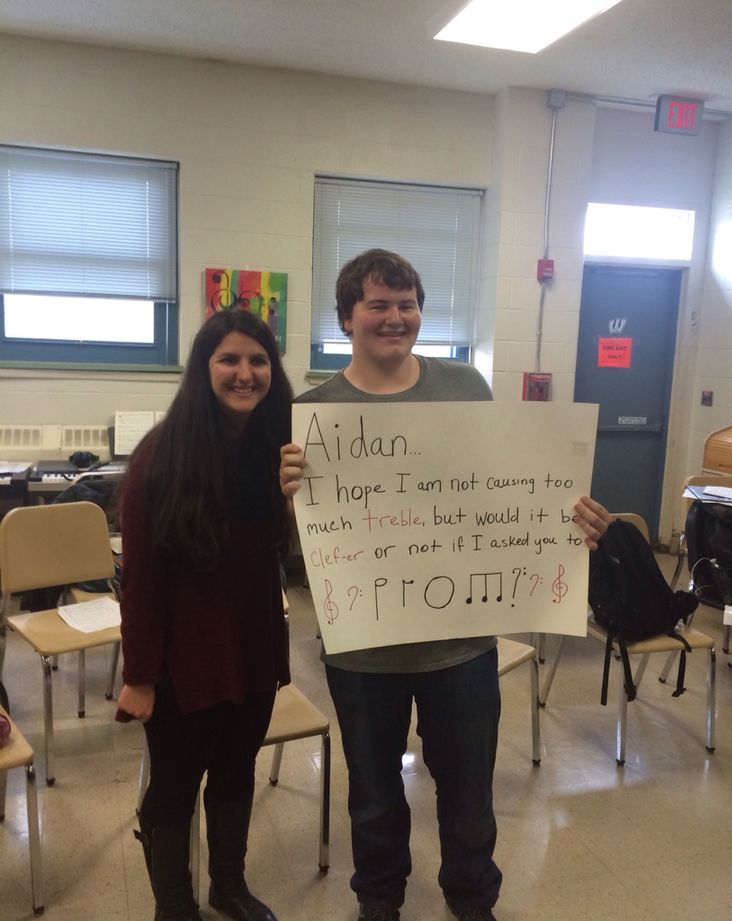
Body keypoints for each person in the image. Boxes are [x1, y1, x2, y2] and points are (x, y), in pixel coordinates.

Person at [279, 249, 611, 921]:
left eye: (406, 304)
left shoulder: (465, 387)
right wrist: (290, 502)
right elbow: (300, 549)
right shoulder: (315, 414)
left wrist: (567, 522)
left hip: (460, 644)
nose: (394, 317)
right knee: (373, 794)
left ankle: (471, 899)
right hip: (361, 648)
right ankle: (379, 900)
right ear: (347, 318)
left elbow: (501, 492)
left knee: (467, 791)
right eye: (377, 304)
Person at [117, 309, 293, 921]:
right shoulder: (160, 458)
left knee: (236, 771)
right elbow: (138, 580)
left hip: (252, 644)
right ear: (203, 368)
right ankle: (175, 904)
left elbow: (288, 549)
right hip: (183, 658)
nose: (246, 373)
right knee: (173, 786)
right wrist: (139, 676)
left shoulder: (279, 450)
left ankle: (229, 886)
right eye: (230, 360)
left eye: (259, 360)